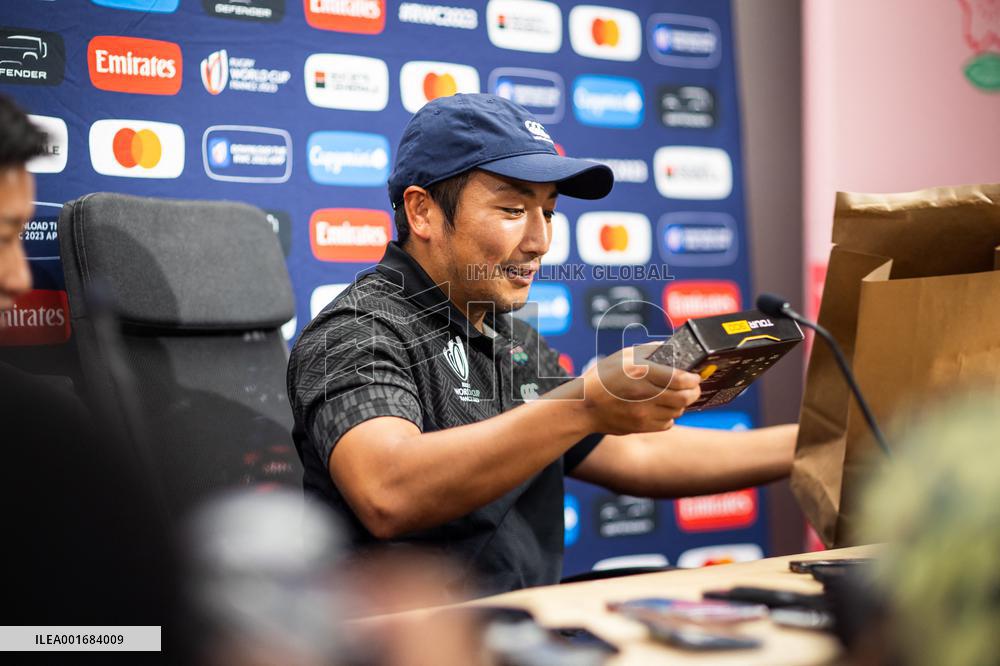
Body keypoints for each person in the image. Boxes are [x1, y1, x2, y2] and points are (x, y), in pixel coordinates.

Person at [287, 93, 797, 595]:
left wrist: (825, 443)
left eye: (548, 213)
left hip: (529, 627)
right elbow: (388, 489)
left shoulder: (510, 335)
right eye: (512, 209)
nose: (540, 241)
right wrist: (582, 405)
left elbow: (638, 454)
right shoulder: (355, 329)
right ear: (422, 213)